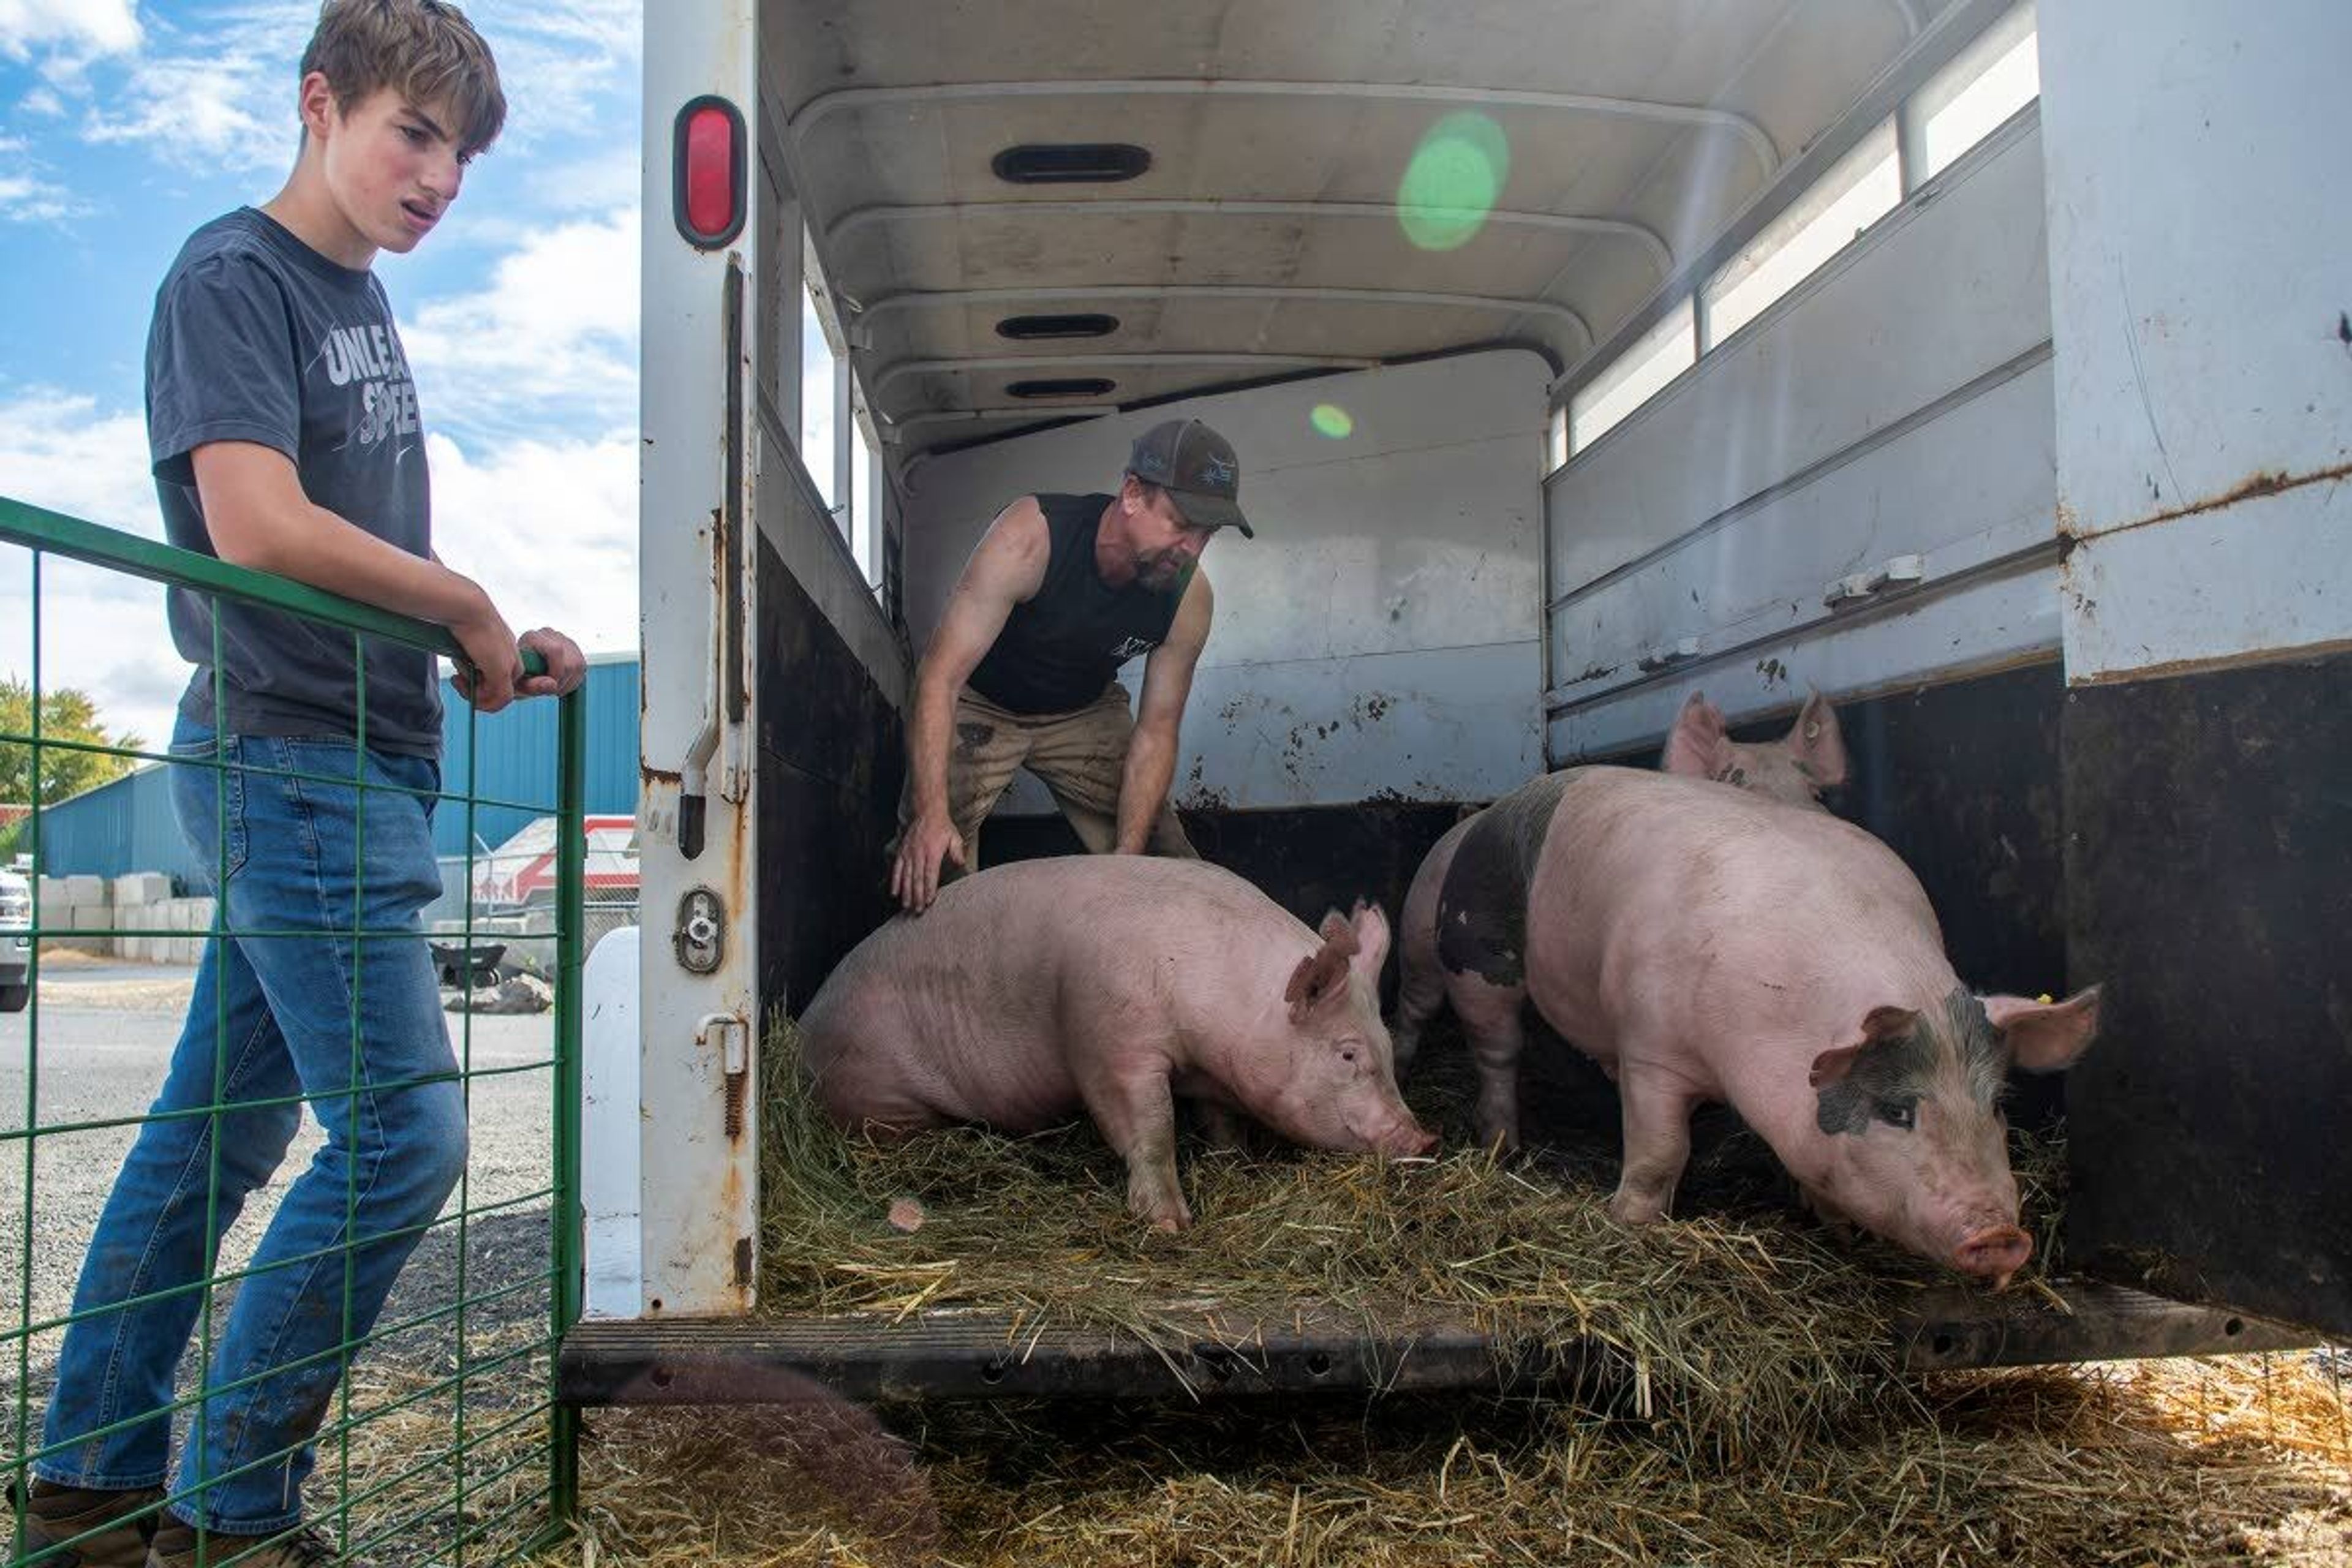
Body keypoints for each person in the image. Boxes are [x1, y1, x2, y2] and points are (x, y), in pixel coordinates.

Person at [13, 4, 583, 1564]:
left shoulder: (355, 298)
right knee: (405, 1136)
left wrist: (489, 639)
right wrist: (457, 599)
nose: (440, 179)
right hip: (287, 751)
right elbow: (254, 523)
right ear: (318, 102)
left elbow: (347, 550)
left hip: (359, 751)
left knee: (212, 1136)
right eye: (415, 133)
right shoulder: (232, 276)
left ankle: (88, 1479)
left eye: (459, 156)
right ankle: (232, 1508)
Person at [890, 418, 1254, 913]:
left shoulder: (1189, 599)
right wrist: (930, 815)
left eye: (1207, 533)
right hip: (984, 704)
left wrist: (1129, 858)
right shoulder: (1030, 537)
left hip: (1085, 711)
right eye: (1181, 523)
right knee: (930, 854)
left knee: (1162, 857)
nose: (1192, 548)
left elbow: (1156, 732)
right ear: (1131, 493)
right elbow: (939, 677)